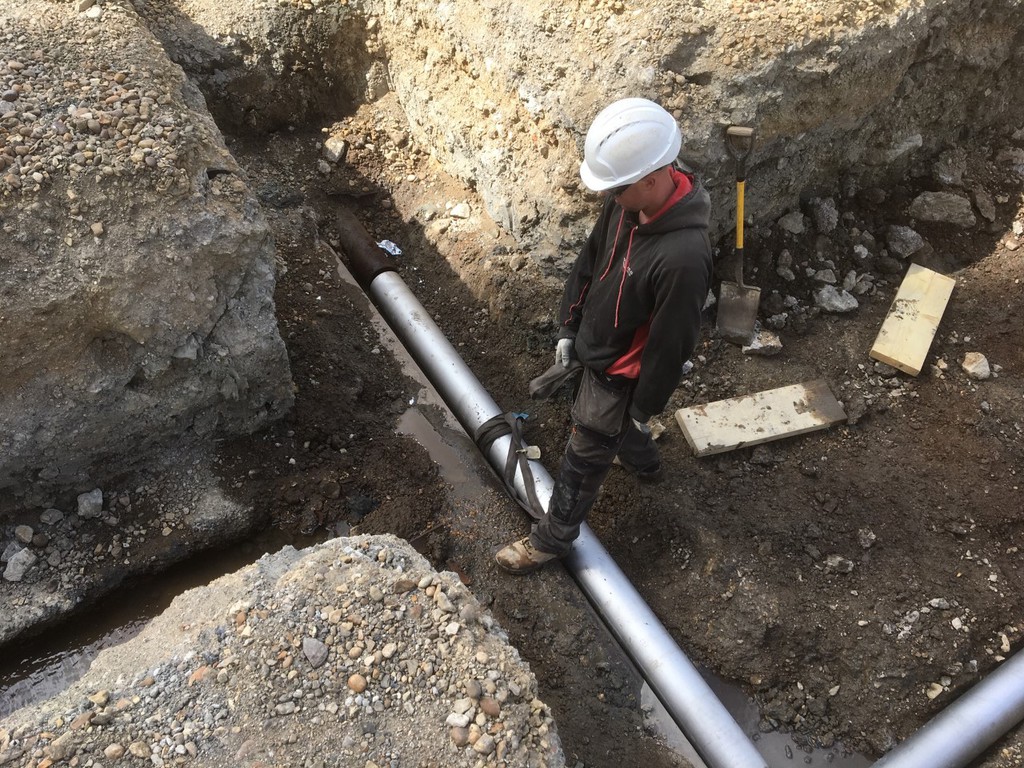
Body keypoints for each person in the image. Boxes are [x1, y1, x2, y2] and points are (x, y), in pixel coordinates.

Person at [495, 97, 713, 575]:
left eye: (617, 188)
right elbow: (590, 261)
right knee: (619, 430)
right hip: (596, 346)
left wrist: (642, 404)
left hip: (619, 372)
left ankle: (552, 540)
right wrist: (570, 326)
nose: (609, 197)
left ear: (652, 179)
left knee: (584, 455)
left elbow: (672, 343)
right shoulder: (628, 204)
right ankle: (645, 463)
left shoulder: (682, 256)